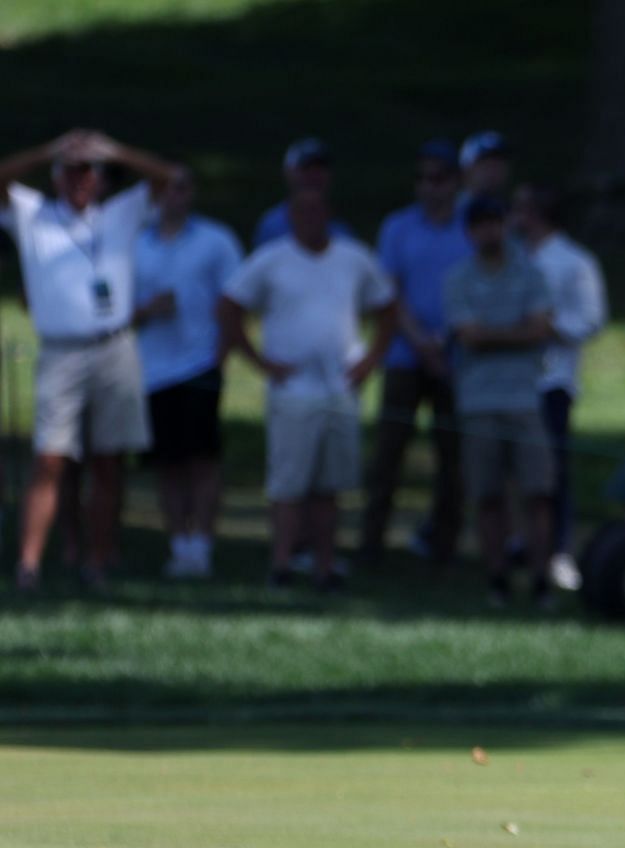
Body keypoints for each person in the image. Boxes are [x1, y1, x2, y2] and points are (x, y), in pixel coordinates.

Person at [0, 128, 176, 590]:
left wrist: (115, 150)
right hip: (60, 351)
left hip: (114, 347)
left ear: (100, 180)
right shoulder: (32, 214)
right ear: (57, 178)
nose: (80, 181)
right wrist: (47, 149)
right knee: (50, 460)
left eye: (88, 173)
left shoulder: (119, 214)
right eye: (72, 172)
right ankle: (29, 564)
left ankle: (98, 560)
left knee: (108, 461)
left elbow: (170, 178)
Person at [219, 190, 396, 590]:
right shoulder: (272, 259)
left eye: (317, 210)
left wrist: (371, 360)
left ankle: (325, 565)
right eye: (301, 211)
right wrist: (260, 362)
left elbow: (387, 307)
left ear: (330, 214)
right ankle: (281, 564)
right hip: (291, 391)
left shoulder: (354, 257)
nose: (310, 218)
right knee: (288, 484)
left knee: (330, 486)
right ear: (290, 216)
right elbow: (229, 307)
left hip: (340, 391)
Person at [360, 140, 470, 566]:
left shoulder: (470, 225)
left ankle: (443, 547)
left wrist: (447, 340)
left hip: (457, 359)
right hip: (405, 357)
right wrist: (421, 340)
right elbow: (387, 291)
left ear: (456, 182)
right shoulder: (398, 227)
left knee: (454, 461)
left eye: (438, 177)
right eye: (422, 177)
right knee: (388, 454)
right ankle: (371, 545)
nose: (429, 186)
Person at [443, 195, 556, 607]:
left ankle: (542, 580)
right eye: (481, 224)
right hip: (477, 403)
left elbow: (540, 329)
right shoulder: (458, 278)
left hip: (525, 401)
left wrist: (491, 335)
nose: (490, 231)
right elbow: (468, 335)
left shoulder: (531, 272)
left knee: (537, 494)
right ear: (470, 231)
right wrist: (516, 332)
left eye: (496, 222)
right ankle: (498, 580)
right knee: (488, 496)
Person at [133, 165, 242, 579]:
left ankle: (203, 547)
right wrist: (146, 311)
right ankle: (179, 546)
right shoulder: (134, 243)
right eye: (165, 188)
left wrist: (221, 354)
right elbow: (116, 308)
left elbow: (235, 301)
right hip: (152, 369)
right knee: (167, 462)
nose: (174, 195)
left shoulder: (217, 240)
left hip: (199, 364)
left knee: (203, 460)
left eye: (181, 186)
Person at [513, 182, 608, 591]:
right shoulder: (513, 257)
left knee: (553, 473)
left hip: (552, 381)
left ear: (537, 214)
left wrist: (550, 326)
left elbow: (591, 319)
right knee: (514, 471)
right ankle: (523, 543)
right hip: (511, 380)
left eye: (520, 209)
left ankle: (560, 550)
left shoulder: (574, 262)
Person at [252, 138, 352, 250]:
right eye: (306, 168)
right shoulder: (271, 227)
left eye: (320, 168)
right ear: (289, 172)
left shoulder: (342, 230)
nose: (314, 175)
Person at [459, 132, 511, 214]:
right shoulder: (447, 211)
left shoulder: (514, 215)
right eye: (485, 164)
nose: (493, 171)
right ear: (466, 170)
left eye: (498, 164)